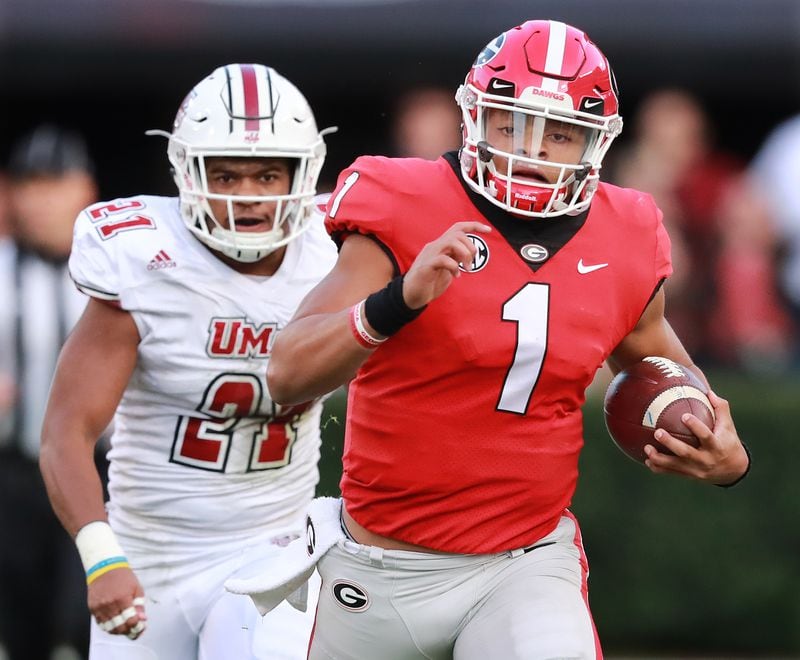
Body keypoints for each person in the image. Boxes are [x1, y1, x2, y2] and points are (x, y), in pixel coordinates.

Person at [258, 20, 751, 659]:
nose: (534, 148)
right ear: (474, 117)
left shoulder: (626, 232)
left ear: (596, 143)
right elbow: (287, 373)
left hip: (522, 567)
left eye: (561, 132)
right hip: (377, 569)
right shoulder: (402, 198)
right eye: (512, 123)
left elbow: (664, 370)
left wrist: (723, 454)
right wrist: (394, 304)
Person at [38, 64, 337, 659]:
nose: (246, 195)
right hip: (150, 552)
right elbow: (67, 432)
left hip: (272, 545)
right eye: (225, 173)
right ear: (187, 172)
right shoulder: (145, 258)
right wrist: (101, 556)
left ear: (302, 175)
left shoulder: (337, 252)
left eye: (267, 175)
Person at [0, 124, 99, 660]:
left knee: (81, 628)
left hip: (98, 475)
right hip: (11, 474)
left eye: (53, 183)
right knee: (18, 628)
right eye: (29, 184)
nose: (40, 201)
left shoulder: (115, 271)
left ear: (85, 188)